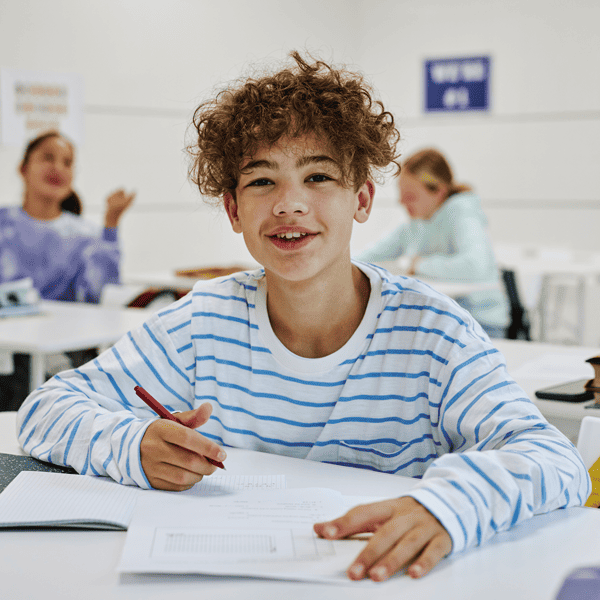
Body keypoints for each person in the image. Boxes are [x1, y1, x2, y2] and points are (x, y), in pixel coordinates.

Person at [16, 52, 588, 582]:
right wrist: (131, 442)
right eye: (263, 180)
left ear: (362, 200)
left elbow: (553, 460)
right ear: (234, 209)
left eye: (318, 177)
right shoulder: (204, 321)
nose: (290, 203)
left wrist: (447, 504)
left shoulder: (435, 334)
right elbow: (46, 407)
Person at [0, 131, 135, 409]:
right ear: (23, 168)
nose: (57, 168)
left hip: (60, 356)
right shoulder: (4, 223)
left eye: (67, 162)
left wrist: (111, 224)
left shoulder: (85, 235)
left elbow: (98, 295)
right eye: (47, 158)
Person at [358, 149, 509, 338]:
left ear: (439, 191)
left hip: (480, 323)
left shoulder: (461, 213)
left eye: (411, 196)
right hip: (442, 321)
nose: (401, 201)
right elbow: (372, 254)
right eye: (401, 194)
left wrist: (419, 265)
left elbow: (475, 266)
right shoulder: (416, 223)